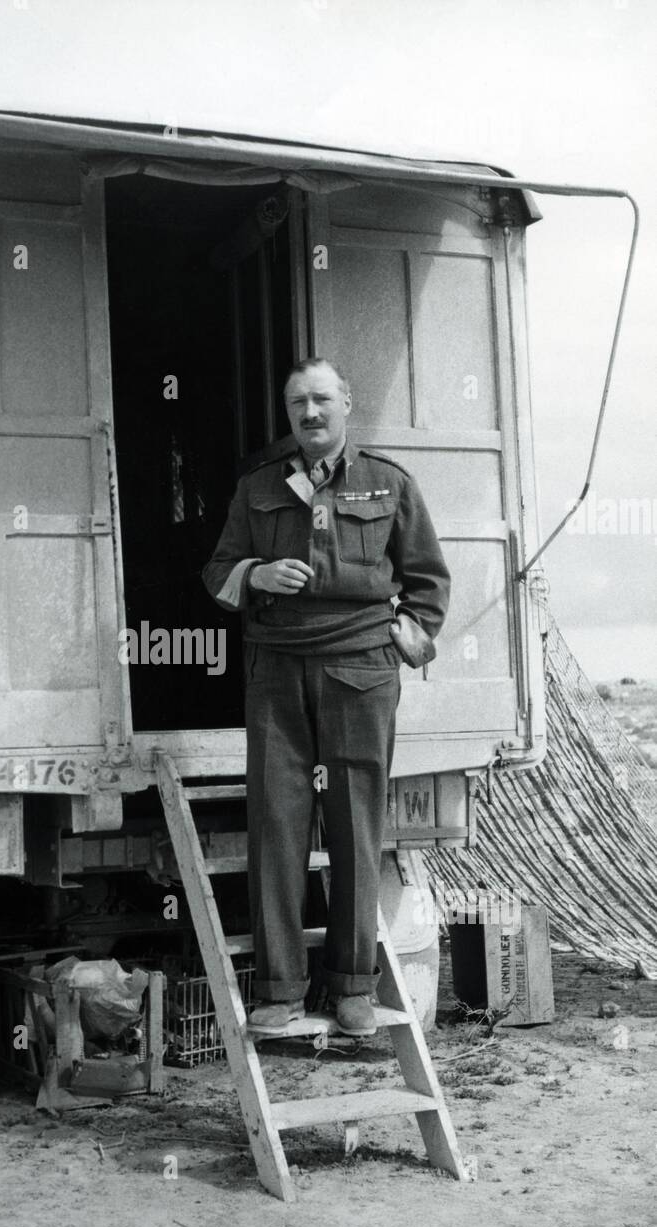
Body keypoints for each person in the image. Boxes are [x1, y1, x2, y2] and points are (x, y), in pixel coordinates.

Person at [202, 358, 450, 1035]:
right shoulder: (256, 487)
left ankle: (352, 987)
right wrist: (257, 573)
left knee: (355, 826)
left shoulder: (388, 482)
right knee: (276, 825)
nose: (309, 414)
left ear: (346, 402)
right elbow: (216, 571)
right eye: (296, 404)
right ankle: (280, 989)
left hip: (359, 671)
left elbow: (428, 578)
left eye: (320, 400)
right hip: (276, 671)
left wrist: (406, 633)